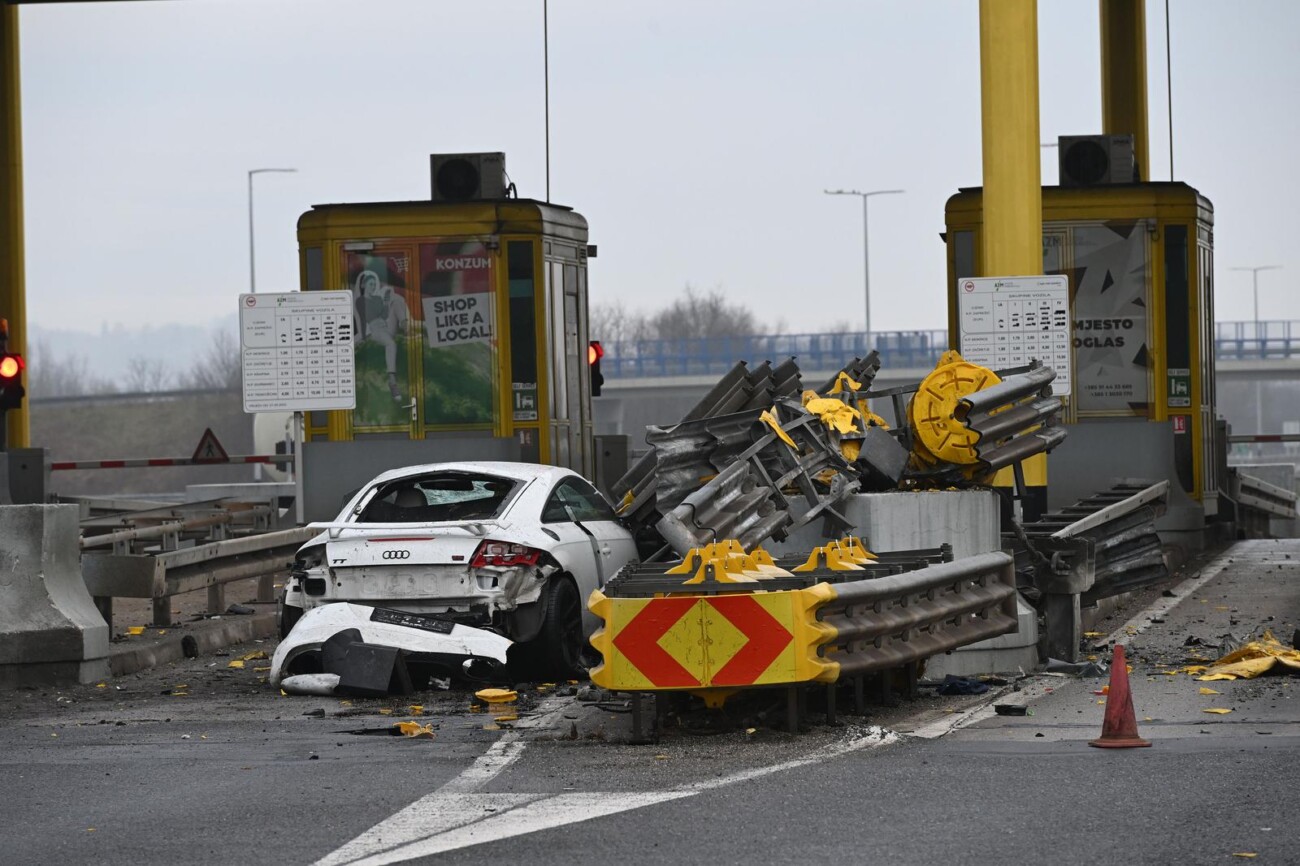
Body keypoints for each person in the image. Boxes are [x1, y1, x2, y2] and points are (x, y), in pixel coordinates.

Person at [352, 269, 410, 402]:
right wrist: (363, 337)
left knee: (396, 303)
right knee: (391, 344)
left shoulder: (378, 298)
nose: (373, 287)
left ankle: (404, 324)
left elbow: (384, 315)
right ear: (364, 285)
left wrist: (385, 302)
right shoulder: (360, 301)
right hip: (375, 329)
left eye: (374, 284)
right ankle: (392, 380)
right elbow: (361, 318)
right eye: (370, 284)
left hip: (386, 325)